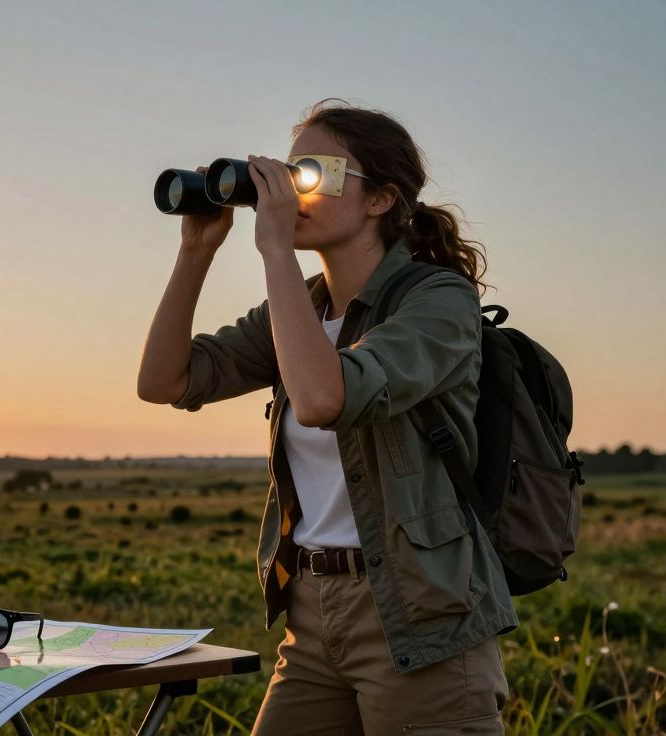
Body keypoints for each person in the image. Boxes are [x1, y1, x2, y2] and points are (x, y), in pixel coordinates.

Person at [137, 99, 516, 735]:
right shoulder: (301, 310)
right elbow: (163, 381)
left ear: (379, 199)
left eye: (312, 173)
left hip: (421, 612)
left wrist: (275, 250)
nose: (288, 188)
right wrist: (197, 249)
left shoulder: (438, 300)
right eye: (287, 170)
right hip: (311, 612)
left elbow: (322, 400)